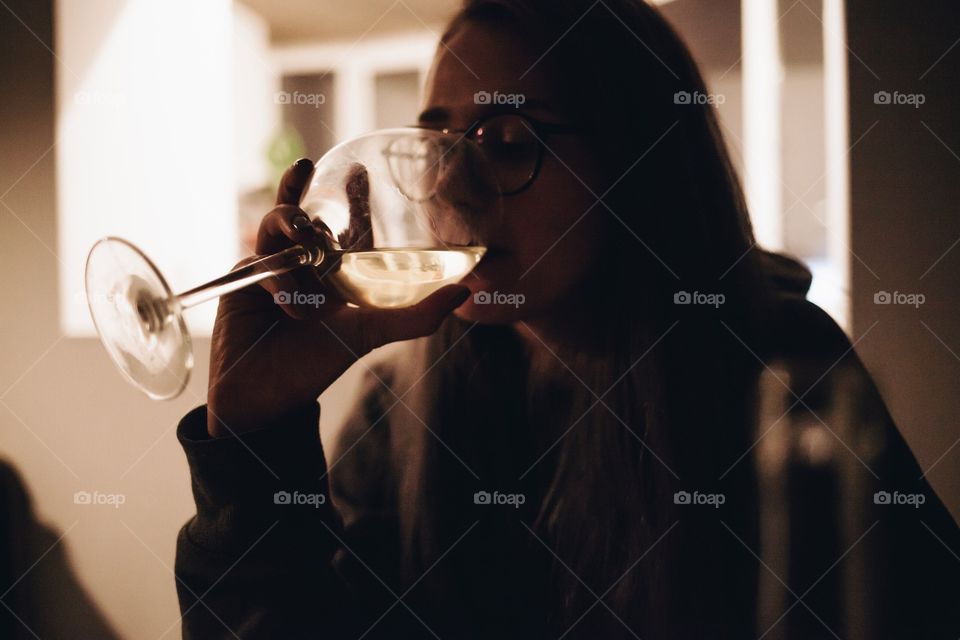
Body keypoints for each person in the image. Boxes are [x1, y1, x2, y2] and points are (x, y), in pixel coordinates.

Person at [174, 0, 960, 637]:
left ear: (639, 160)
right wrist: (252, 440)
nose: (452, 188)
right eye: (439, 146)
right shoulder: (404, 409)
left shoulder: (776, 379)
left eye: (508, 141)